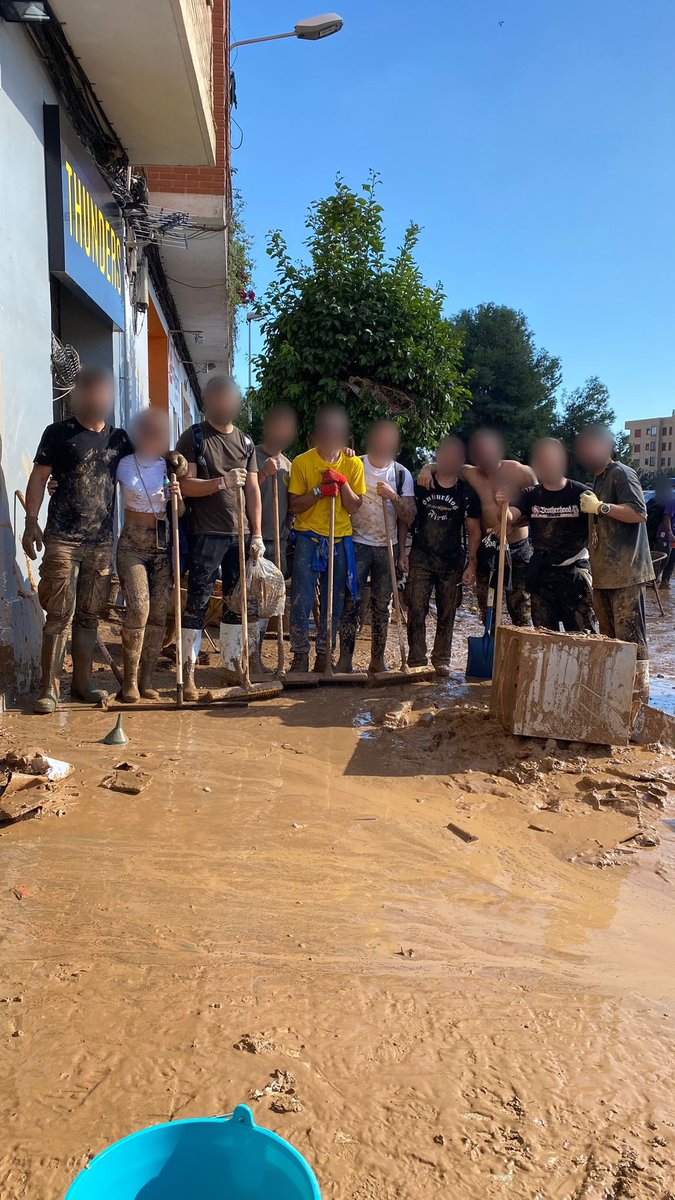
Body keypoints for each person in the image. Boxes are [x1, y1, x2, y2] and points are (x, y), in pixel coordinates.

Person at [22, 367, 133, 714]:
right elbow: (39, 478)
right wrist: (30, 522)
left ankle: (82, 684)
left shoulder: (120, 440)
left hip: (100, 543)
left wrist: (175, 464)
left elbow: (143, 470)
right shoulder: (58, 433)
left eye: (103, 392)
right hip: (62, 539)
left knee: (89, 616)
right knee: (59, 614)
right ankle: (49, 688)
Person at [175, 374, 264, 700]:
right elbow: (186, 486)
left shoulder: (246, 442)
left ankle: (231, 666)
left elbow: (253, 490)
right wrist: (222, 482)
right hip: (207, 533)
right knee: (198, 602)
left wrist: (257, 534)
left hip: (240, 535)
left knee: (236, 604)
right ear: (209, 402)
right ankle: (187, 674)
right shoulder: (195, 437)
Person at [419, 428, 536, 626]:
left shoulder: (521, 472)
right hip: (488, 549)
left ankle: (521, 644)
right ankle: (491, 643)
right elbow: (442, 465)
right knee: (488, 609)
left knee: (521, 609)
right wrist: (426, 469)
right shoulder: (469, 473)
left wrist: (512, 523)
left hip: (517, 549)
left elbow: (539, 507)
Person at [575, 424, 654, 705]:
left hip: (626, 574)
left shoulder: (621, 473)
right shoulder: (597, 480)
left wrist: (602, 507)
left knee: (631, 640)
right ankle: (615, 698)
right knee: (610, 641)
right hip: (603, 575)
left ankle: (638, 702)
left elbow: (639, 513)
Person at [287, 405, 366, 673]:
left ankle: (324, 654)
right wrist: (319, 491)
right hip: (308, 538)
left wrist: (342, 483)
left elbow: (355, 506)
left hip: (339, 539)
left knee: (335, 600)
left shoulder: (353, 464)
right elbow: (295, 506)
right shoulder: (302, 462)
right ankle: (300, 656)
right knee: (301, 598)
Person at [115, 407, 186, 703]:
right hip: (131, 545)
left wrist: (177, 495)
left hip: (161, 546)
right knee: (139, 610)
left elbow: (179, 513)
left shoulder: (168, 468)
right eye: (147, 431)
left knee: (158, 616)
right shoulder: (122, 464)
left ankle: (146, 680)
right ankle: (129, 681)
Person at [337, 420, 416, 674]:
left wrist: (393, 497)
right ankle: (345, 660)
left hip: (387, 546)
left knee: (383, 605)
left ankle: (377, 660)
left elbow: (409, 515)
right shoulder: (356, 464)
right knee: (351, 602)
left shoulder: (401, 474)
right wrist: (342, 453)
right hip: (357, 544)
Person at [497, 437, 597, 633]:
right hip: (542, 573)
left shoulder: (582, 493)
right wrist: (503, 504)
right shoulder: (530, 494)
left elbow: (601, 531)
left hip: (575, 573)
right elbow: (508, 518)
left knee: (582, 637)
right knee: (543, 635)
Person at [406, 436, 481, 675]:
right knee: (416, 609)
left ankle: (441, 659)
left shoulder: (467, 493)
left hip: (451, 563)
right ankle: (417, 659)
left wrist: (472, 563)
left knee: (447, 612)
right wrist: (401, 554)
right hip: (421, 558)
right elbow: (405, 517)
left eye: (454, 456)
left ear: (461, 461)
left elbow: (474, 531)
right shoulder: (421, 485)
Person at [255, 405, 297, 574]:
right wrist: (265, 473)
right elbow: (242, 494)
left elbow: (291, 505)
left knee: (276, 586)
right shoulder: (250, 456)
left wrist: (286, 529)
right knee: (250, 587)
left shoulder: (288, 466)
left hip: (277, 540)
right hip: (253, 538)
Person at [646, 476, 675, 589]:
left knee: (672, 560)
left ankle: (665, 583)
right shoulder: (671, 502)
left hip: (671, 537)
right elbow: (667, 517)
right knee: (662, 559)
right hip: (664, 535)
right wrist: (670, 533)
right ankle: (651, 581)